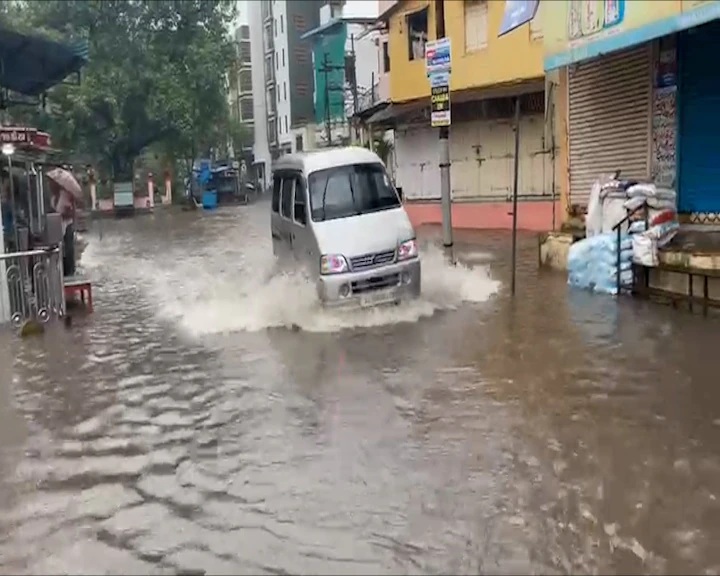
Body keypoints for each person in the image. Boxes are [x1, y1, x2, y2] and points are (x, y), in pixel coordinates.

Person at [49, 179, 77, 276]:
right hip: (58, 225)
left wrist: (66, 210)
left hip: (67, 224)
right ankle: (62, 269)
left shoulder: (68, 195)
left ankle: (69, 270)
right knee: (60, 248)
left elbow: (72, 212)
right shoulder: (54, 196)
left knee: (68, 248)